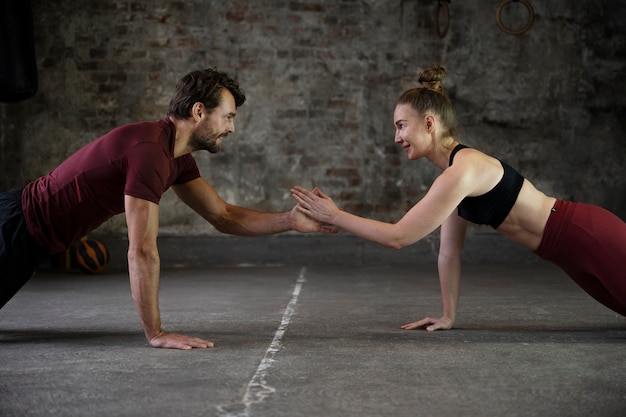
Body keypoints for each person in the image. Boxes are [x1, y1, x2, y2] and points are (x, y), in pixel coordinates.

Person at [0, 68, 334, 349]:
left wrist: (289, 220)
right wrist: (156, 333)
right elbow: (141, 250)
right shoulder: (150, 153)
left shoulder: (177, 159)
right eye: (228, 117)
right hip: (12, 228)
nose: (232, 128)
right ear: (199, 111)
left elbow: (223, 215)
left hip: (31, 245)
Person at [291, 63, 626, 331]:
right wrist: (447, 317)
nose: (396, 138)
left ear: (429, 123)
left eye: (401, 126)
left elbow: (400, 236)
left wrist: (335, 215)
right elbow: (449, 253)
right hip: (565, 253)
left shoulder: (463, 171)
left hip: (586, 235)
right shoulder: (453, 178)